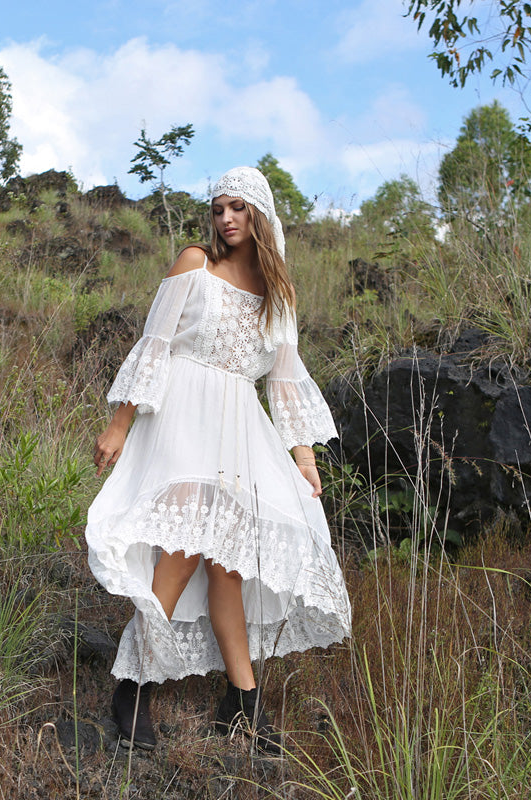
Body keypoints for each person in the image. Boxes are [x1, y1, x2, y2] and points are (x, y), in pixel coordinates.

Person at [86, 166, 351, 754]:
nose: (226, 219)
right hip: (181, 417)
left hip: (237, 430)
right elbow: (152, 346)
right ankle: (133, 686)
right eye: (218, 209)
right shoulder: (192, 265)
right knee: (181, 549)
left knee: (229, 563)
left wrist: (305, 462)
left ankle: (243, 704)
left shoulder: (279, 299)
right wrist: (119, 424)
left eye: (238, 209)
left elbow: (284, 385)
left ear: (259, 215)